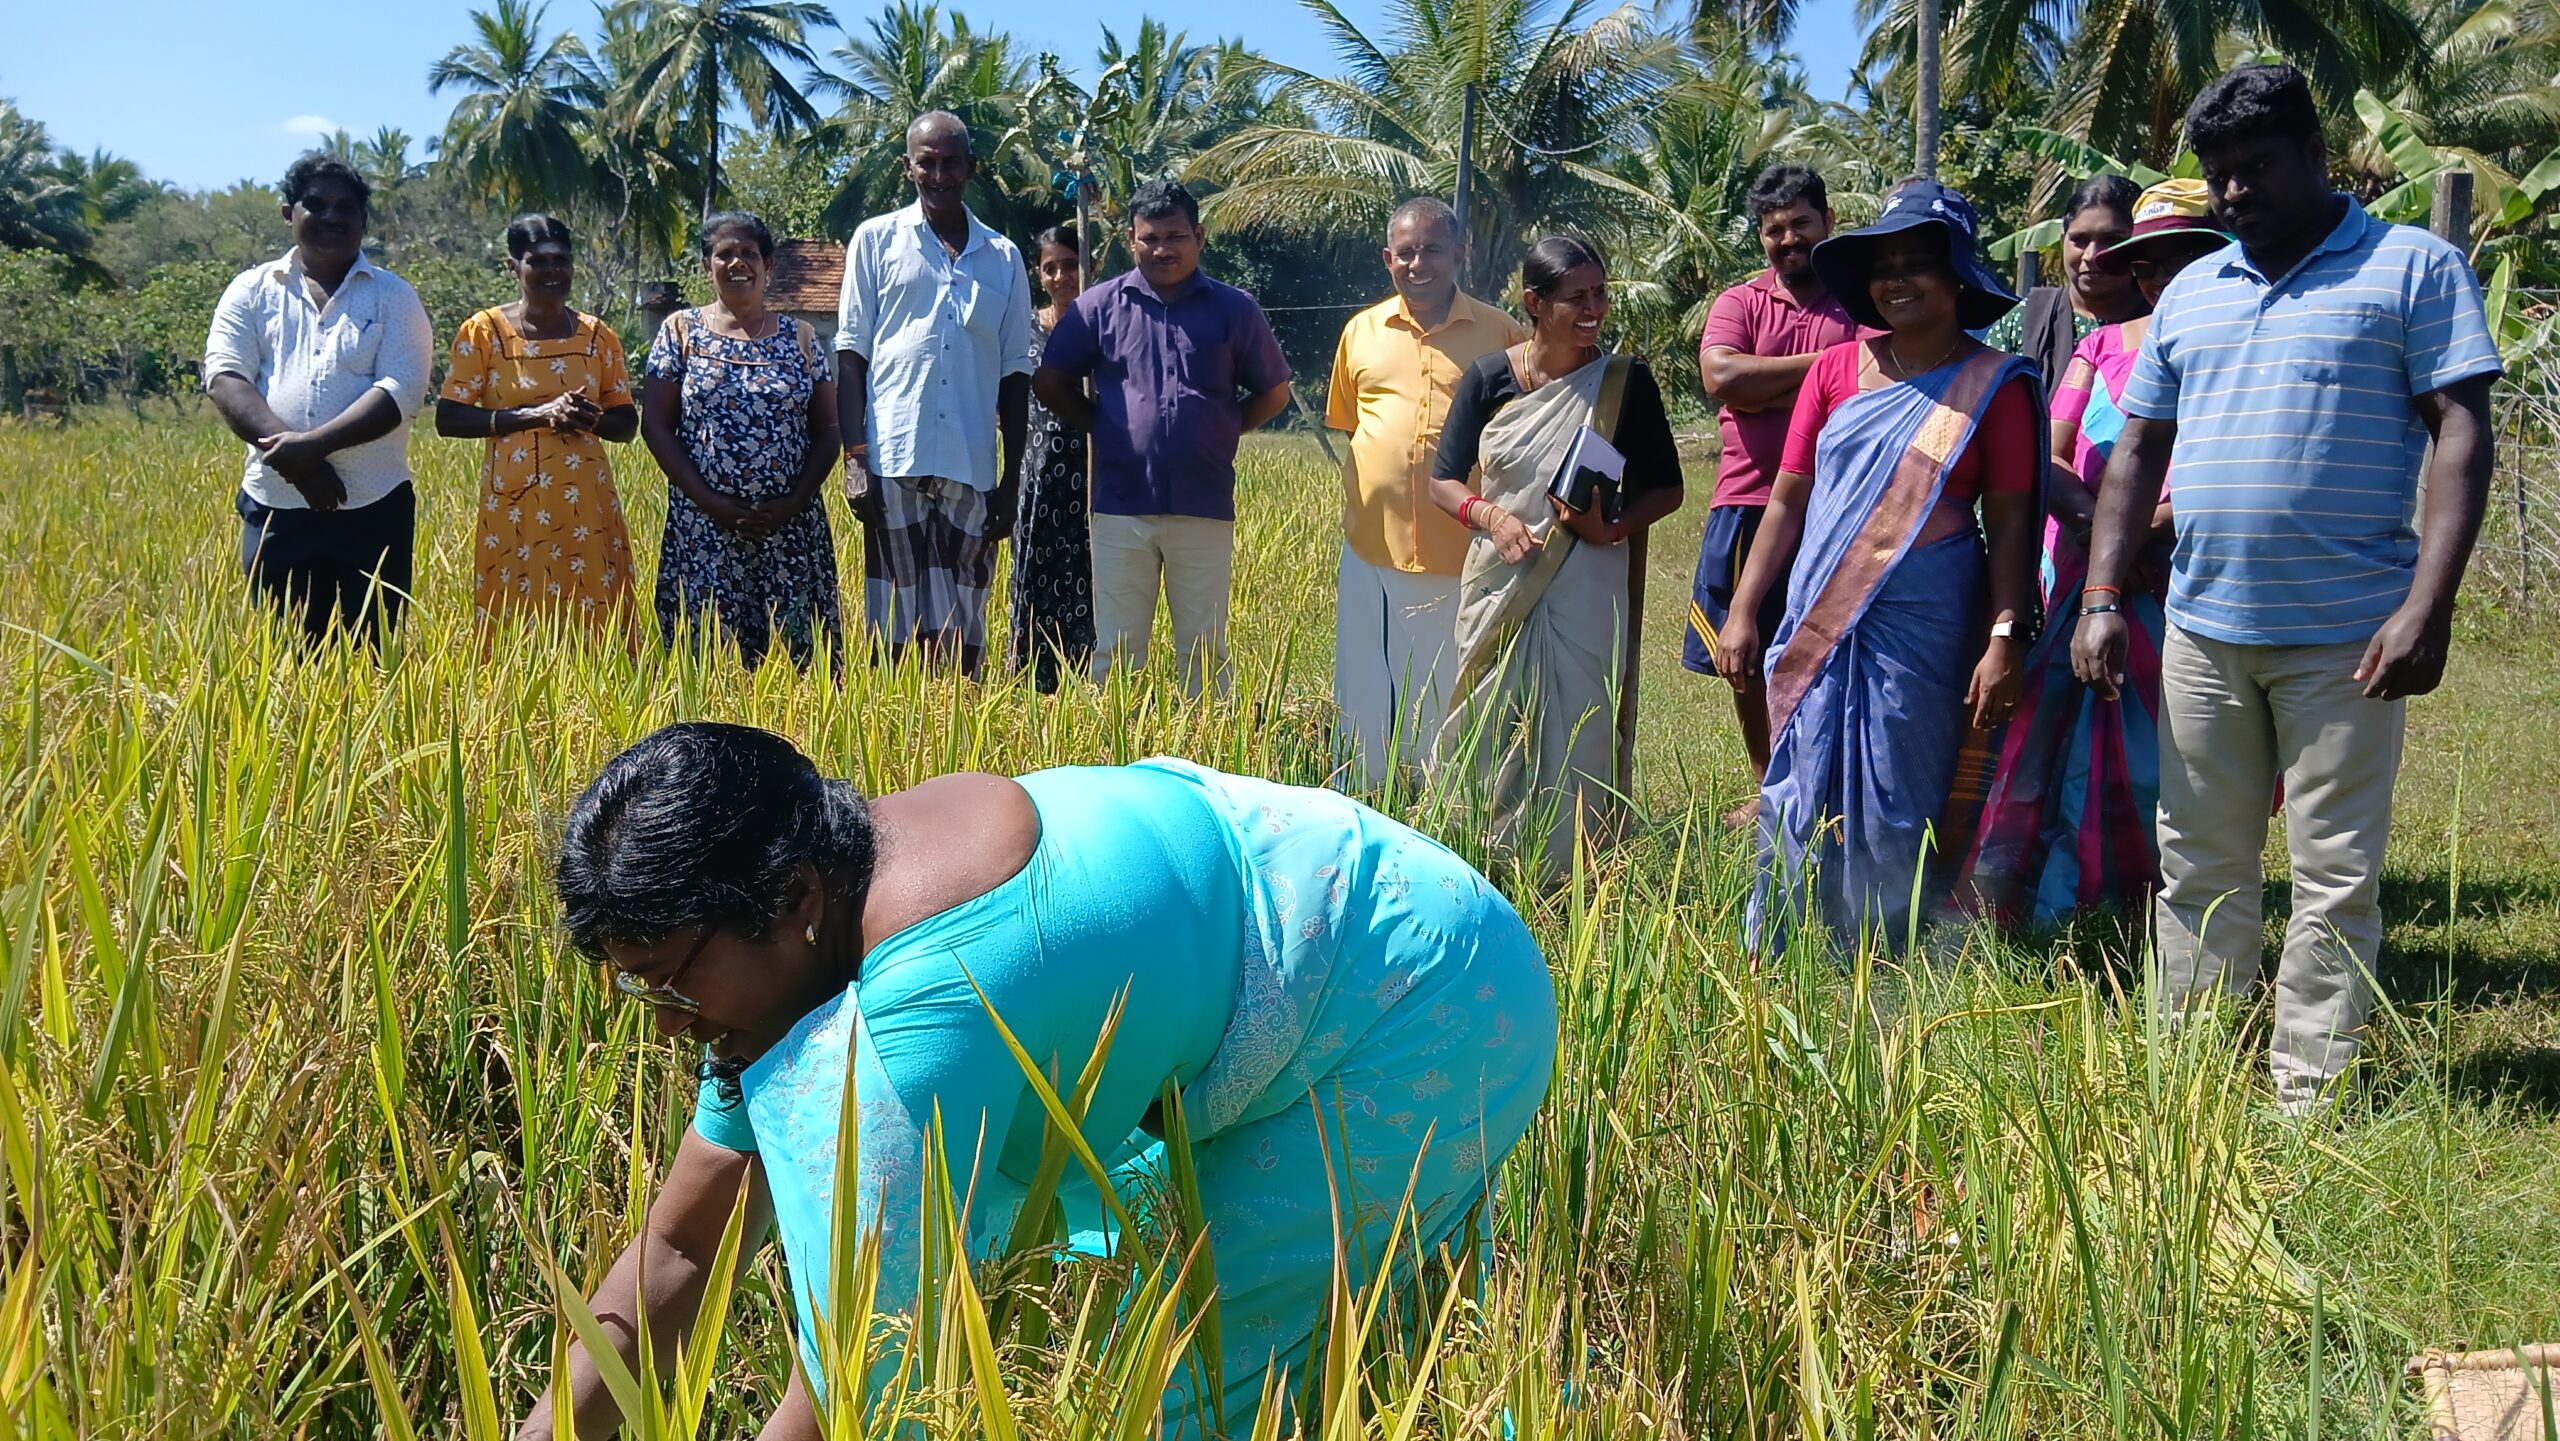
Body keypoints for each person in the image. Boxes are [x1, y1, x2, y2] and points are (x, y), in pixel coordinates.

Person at [516, 723, 1558, 1439]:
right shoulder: (805, 927)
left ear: (789, 897)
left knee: (1175, 1388)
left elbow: (852, 1381)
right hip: (1325, 915)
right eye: (635, 988)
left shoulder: (910, 1025)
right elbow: (681, 1248)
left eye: (673, 983)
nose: (665, 1026)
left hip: (1414, 1007)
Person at [2073, 64, 2501, 1110]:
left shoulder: (2412, 268)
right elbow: (2135, 449)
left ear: (2316, 156)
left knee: (2333, 877)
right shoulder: (2197, 292)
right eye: (2217, 175)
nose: (2231, 194)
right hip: (2201, 631)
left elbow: (2460, 432)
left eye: (2254, 167)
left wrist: (2427, 606)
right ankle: (2190, 1074)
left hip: (2347, 636)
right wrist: (2097, 595)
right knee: (2199, 863)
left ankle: (2306, 1093)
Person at [1714, 182, 2043, 951]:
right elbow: (1789, 502)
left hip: (1925, 622)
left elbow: (2015, 521)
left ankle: (1877, 944)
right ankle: (1788, 935)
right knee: (1799, 773)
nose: (1897, 280)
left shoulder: (1995, 385)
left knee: (1900, 780)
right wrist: (1743, 609)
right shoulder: (1834, 371)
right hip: (1817, 612)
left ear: (1959, 275)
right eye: (1884, 265)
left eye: (1918, 264)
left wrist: (2007, 636)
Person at [1954, 180, 2231, 925]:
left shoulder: (2237, 350)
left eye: (2182, 261)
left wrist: (2145, 527)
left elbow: (2239, 467)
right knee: (2041, 735)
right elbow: (2048, 454)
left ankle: (2138, 906)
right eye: (2150, 265)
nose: (2160, 279)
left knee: (2158, 755)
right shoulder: (2100, 345)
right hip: (2087, 573)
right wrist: (2098, 529)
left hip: (2181, 581)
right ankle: (2028, 900)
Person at [1429, 236, 1686, 879]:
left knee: (1581, 719)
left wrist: (1613, 527)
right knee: (1489, 715)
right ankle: (1480, 856)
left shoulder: (1626, 385)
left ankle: (1575, 874)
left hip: (1588, 580)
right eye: (1577, 298)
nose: (1594, 308)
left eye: (1600, 293)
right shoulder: (1489, 378)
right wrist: (1489, 515)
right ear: (1535, 304)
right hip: (1499, 577)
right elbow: (1443, 480)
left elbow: (1669, 487)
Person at [1034, 180, 1294, 696]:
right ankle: (1114, 758)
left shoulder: (1234, 309)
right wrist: (1103, 427)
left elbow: (1274, 392)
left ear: (1198, 236)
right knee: (1116, 649)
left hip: (1204, 503)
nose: (1162, 249)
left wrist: (1222, 429)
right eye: (1149, 238)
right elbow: (1050, 382)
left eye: (1175, 236)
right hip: (1120, 505)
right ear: (1132, 239)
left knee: (1204, 650)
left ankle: (1204, 759)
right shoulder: (1098, 307)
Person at [1680, 165, 1870, 821]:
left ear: (1828, 223)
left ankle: (1828, 783)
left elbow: (1876, 382)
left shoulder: (1859, 303)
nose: (1788, 240)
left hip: (1838, 506)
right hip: (1746, 502)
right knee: (1746, 654)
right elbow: (1723, 376)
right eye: (1773, 230)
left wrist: (1769, 384)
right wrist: (1829, 369)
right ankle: (1768, 784)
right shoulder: (1740, 303)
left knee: (1830, 646)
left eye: (1800, 225)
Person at [1324, 197, 1527, 787]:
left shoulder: (1500, 334)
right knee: (1365, 679)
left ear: (1460, 253)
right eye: (1406, 253)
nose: (1419, 264)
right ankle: (1365, 790)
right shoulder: (1360, 331)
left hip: (1460, 547)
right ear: (1389, 259)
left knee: (1445, 683)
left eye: (1433, 250)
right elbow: (1354, 426)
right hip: (1371, 544)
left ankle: (1441, 805)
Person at [202, 152, 433, 646]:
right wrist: (299, 465)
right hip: (277, 506)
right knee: (284, 656)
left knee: (371, 655)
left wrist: (311, 448)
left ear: (363, 220)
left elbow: (401, 390)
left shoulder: (393, 296)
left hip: (374, 509)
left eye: (345, 207)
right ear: (289, 212)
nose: (332, 216)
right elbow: (225, 377)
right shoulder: (251, 290)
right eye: (316, 204)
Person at [836, 112, 1034, 677]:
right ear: (909, 167)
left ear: (971, 168)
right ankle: (897, 737)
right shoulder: (876, 241)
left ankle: (958, 732)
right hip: (893, 455)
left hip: (971, 464)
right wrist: (855, 461)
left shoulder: (1003, 257)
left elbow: (1015, 376)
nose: (940, 174)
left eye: (951, 162)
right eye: (928, 161)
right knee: (893, 616)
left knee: (964, 617)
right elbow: (851, 355)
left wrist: (1011, 482)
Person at [641, 212, 844, 669]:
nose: (738, 263)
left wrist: (793, 501)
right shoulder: (680, 333)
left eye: (749, 254)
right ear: (705, 266)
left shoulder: (803, 339)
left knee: (796, 663)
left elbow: (828, 429)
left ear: (768, 265)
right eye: (724, 254)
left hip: (790, 528)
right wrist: (713, 504)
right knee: (709, 660)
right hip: (705, 527)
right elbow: (656, 425)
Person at [435, 214, 641, 634]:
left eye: (561, 261)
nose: (553, 271)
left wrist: (591, 418)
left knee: (593, 609)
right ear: (514, 266)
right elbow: (449, 417)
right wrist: (538, 414)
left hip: (587, 502)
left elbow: (626, 424)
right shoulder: (483, 332)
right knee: (519, 612)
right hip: (514, 505)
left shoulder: (597, 336)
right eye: (539, 261)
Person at [1011, 224, 1097, 692]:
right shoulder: (1022, 329)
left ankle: (1085, 681)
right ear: (1039, 274)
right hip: (1037, 474)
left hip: (1091, 476)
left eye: (1071, 265)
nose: (1062, 276)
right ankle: (1029, 683)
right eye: (1051, 268)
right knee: (1034, 580)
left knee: (1085, 579)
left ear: (1089, 269)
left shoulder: (1101, 329)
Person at [1982, 175, 2146, 389]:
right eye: (2080, 240)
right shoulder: (2025, 319)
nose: (2091, 255)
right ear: (2063, 242)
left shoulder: (2161, 323)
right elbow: (1983, 400)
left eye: (2111, 241)